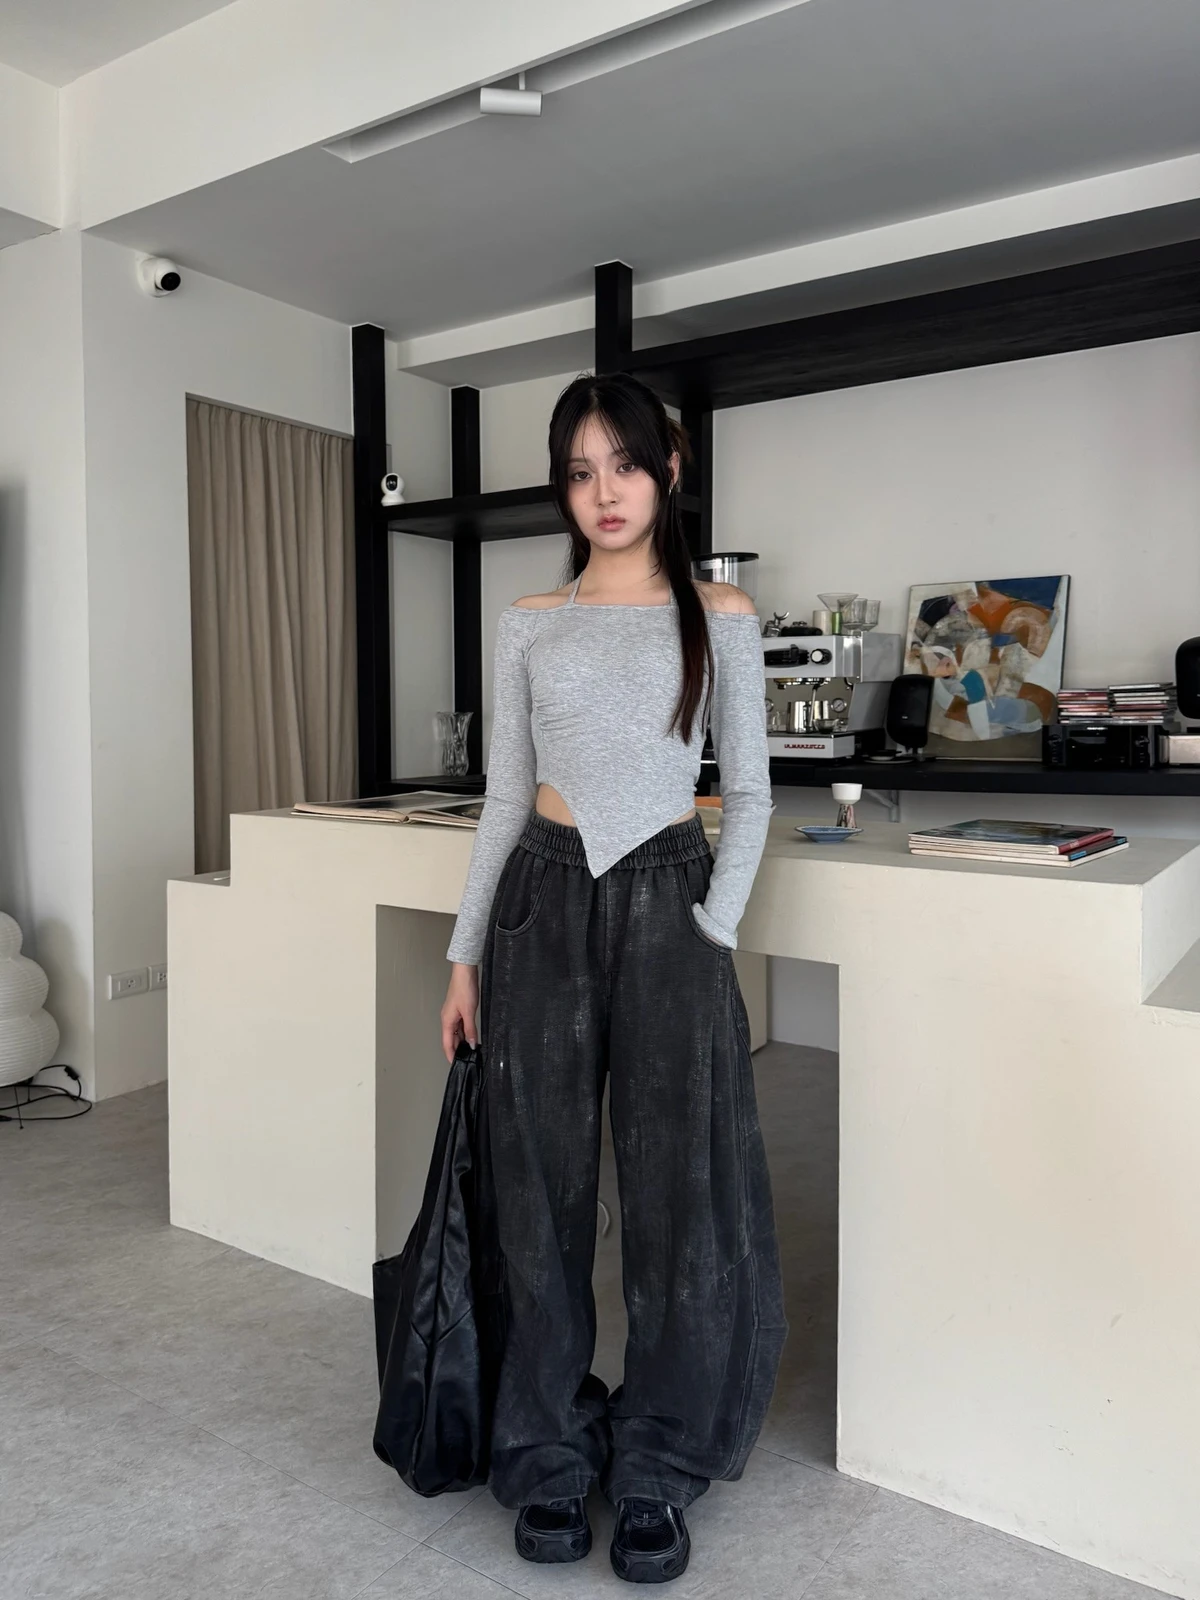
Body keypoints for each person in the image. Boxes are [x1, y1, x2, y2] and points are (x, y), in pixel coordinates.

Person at [440, 372, 787, 1585]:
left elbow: (750, 795)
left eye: (626, 465)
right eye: (582, 471)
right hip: (539, 898)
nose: (606, 492)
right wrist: (464, 953)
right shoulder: (530, 618)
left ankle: (659, 1460)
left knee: (677, 1191)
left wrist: (711, 927)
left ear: (669, 471)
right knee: (537, 1188)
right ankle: (545, 1450)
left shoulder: (719, 613)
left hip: (669, 901)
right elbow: (501, 798)